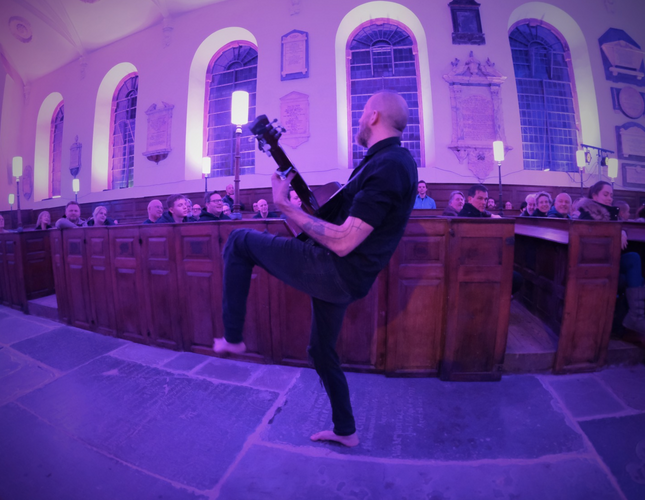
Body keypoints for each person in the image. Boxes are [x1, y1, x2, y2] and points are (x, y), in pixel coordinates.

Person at [214, 91, 417, 447]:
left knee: (239, 241)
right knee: (321, 350)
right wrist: (292, 211)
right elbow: (319, 234)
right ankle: (346, 430)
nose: (359, 120)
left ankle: (232, 338)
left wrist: (285, 206)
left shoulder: (390, 165)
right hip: (342, 276)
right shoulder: (382, 162)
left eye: (361, 114)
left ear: (372, 117)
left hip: (335, 270)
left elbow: (342, 242)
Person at [575, 181, 645, 338]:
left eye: (611, 195)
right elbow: (592, 237)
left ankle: (635, 316)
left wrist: (623, 232)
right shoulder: (587, 214)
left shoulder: (611, 213)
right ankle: (634, 318)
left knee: (635, 259)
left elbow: (619, 226)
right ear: (594, 196)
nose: (609, 198)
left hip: (611, 259)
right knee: (635, 273)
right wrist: (616, 232)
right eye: (605, 194)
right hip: (595, 262)